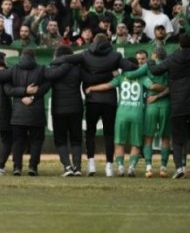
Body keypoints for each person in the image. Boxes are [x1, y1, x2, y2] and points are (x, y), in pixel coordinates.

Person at [52, 33, 137, 176]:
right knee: (109, 134)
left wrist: (55, 62)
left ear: (94, 42)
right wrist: (113, 74)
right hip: (109, 100)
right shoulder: (115, 56)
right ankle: (109, 167)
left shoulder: (86, 55)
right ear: (107, 42)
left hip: (92, 99)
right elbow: (131, 68)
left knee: (90, 133)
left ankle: (91, 164)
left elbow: (66, 58)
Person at [147, 6, 190, 179]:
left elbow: (156, 71)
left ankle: (179, 167)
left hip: (179, 104)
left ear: (179, 45)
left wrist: (151, 61)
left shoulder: (172, 58)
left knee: (178, 138)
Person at [85, 69, 167, 177]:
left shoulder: (121, 77)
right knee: (136, 143)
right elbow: (152, 86)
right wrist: (166, 87)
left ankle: (120, 167)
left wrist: (92, 88)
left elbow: (107, 86)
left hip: (122, 114)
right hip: (137, 114)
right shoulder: (142, 78)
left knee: (119, 142)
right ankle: (131, 167)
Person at [0, 48, 51, 176]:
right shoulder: (42, 69)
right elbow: (47, 85)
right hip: (36, 111)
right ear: (34, 57)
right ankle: (33, 167)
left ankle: (17, 167)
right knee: (36, 141)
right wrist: (32, 95)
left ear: (22, 56)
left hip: (18, 112)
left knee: (18, 141)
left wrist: (22, 93)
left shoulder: (13, 69)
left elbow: (8, 89)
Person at [123, 47, 172, 178]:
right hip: (166, 104)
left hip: (151, 105)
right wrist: (165, 89)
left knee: (148, 137)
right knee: (166, 137)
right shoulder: (169, 65)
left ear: (154, 55)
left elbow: (130, 75)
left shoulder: (148, 66)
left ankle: (149, 168)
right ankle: (163, 168)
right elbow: (172, 86)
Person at [45, 46, 84, 176]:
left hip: (58, 108)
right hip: (76, 107)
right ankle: (77, 167)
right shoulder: (78, 68)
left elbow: (47, 77)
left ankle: (67, 166)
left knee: (60, 139)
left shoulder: (53, 68)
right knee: (76, 139)